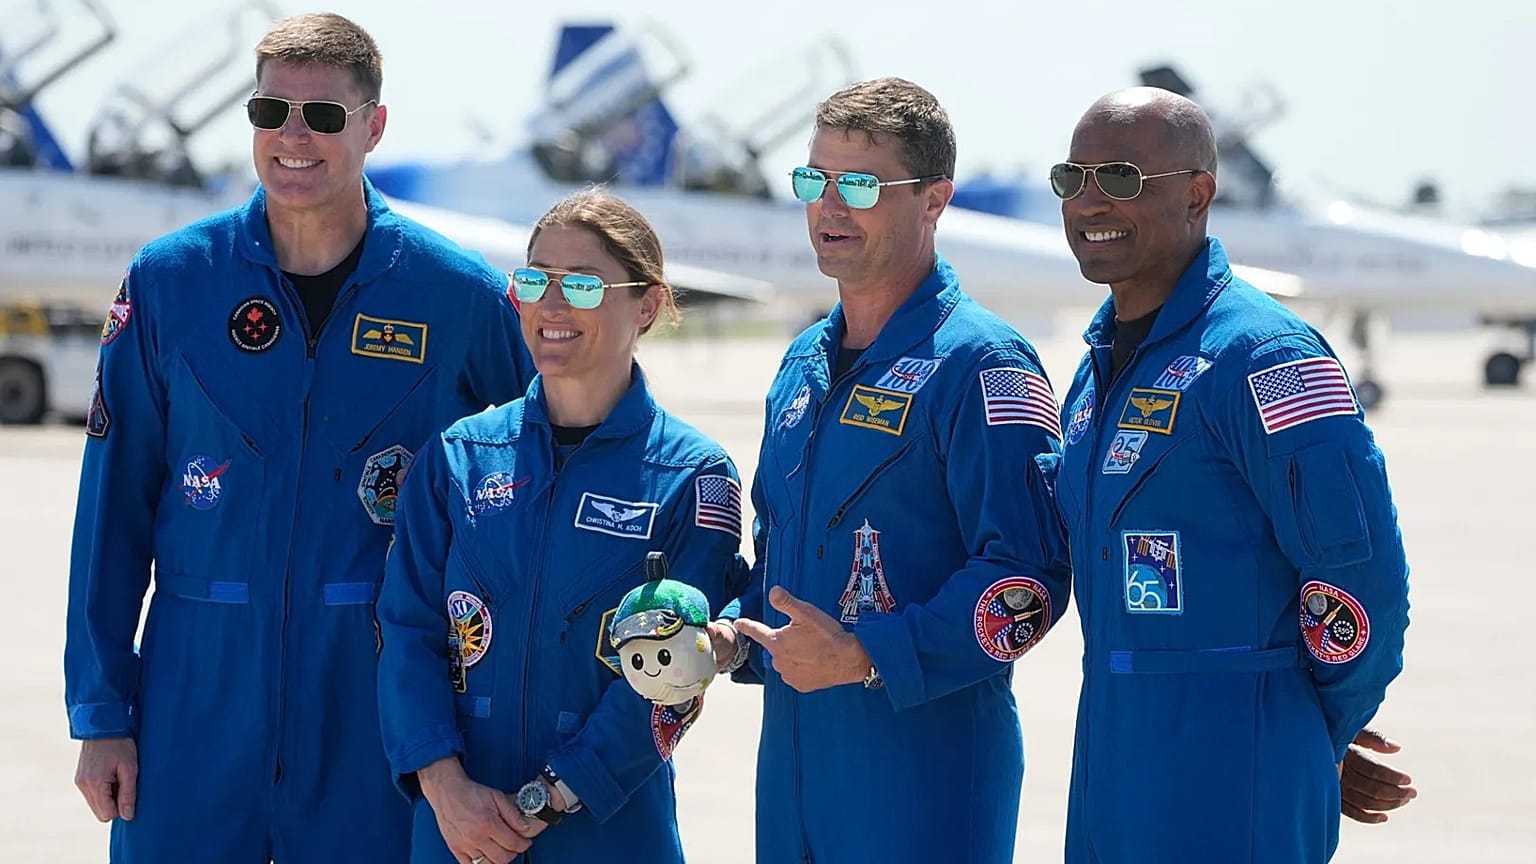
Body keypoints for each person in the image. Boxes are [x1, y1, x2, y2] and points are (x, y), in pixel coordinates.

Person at [64, 13, 536, 863]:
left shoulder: (456, 296)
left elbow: (532, 489)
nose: (292, 138)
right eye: (269, 112)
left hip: (380, 700)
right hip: (194, 697)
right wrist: (102, 713)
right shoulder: (172, 282)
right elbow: (113, 509)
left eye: (322, 117)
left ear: (373, 126)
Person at [1048, 85, 1411, 863]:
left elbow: (1358, 578)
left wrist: (1311, 731)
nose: (1088, 201)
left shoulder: (1266, 357)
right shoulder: (1097, 370)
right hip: (1113, 759)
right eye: (1070, 179)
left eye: (1119, 179)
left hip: (1237, 770)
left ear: (1199, 194)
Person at [721, 77, 1073, 864]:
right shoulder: (802, 363)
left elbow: (1029, 578)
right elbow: (782, 555)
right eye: (814, 180)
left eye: (860, 184)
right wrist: (728, 637)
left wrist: (866, 656)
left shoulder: (983, 364)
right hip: (793, 780)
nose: (830, 207)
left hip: (924, 780)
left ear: (934, 200)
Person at [376, 189, 748, 864]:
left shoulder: (693, 478)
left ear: (648, 305)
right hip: (457, 832)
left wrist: (548, 799)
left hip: (607, 832)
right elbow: (405, 632)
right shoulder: (458, 458)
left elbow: (673, 675)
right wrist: (444, 786)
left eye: (581, 284)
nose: (551, 304)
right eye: (534, 280)